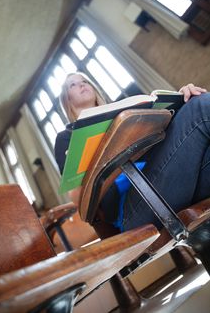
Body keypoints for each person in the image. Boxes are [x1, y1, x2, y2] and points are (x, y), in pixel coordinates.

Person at [54, 72, 209, 231]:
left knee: (197, 104)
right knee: (201, 107)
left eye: (85, 81)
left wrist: (181, 101)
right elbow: (77, 199)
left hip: (169, 175)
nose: (82, 84)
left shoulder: (124, 113)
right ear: (67, 99)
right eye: (73, 84)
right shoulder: (66, 138)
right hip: (132, 206)